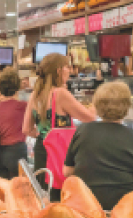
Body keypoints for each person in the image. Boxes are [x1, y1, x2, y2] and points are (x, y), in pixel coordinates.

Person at [63, 81, 133, 210]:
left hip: (86, 207)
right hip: (123, 210)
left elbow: (67, 172)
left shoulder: (83, 131)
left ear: (97, 105)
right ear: (127, 106)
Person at [22, 52, 96, 201]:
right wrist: (96, 103)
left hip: (41, 151)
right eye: (67, 67)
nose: (69, 70)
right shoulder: (61, 94)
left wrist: (45, 134)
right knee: (61, 198)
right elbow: (90, 117)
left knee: (44, 198)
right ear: (58, 70)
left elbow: (26, 129)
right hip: (61, 153)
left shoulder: (35, 94)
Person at [0, 68, 28, 179]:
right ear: (17, 86)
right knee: (19, 188)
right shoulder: (22, 106)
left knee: (3, 188)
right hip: (16, 151)